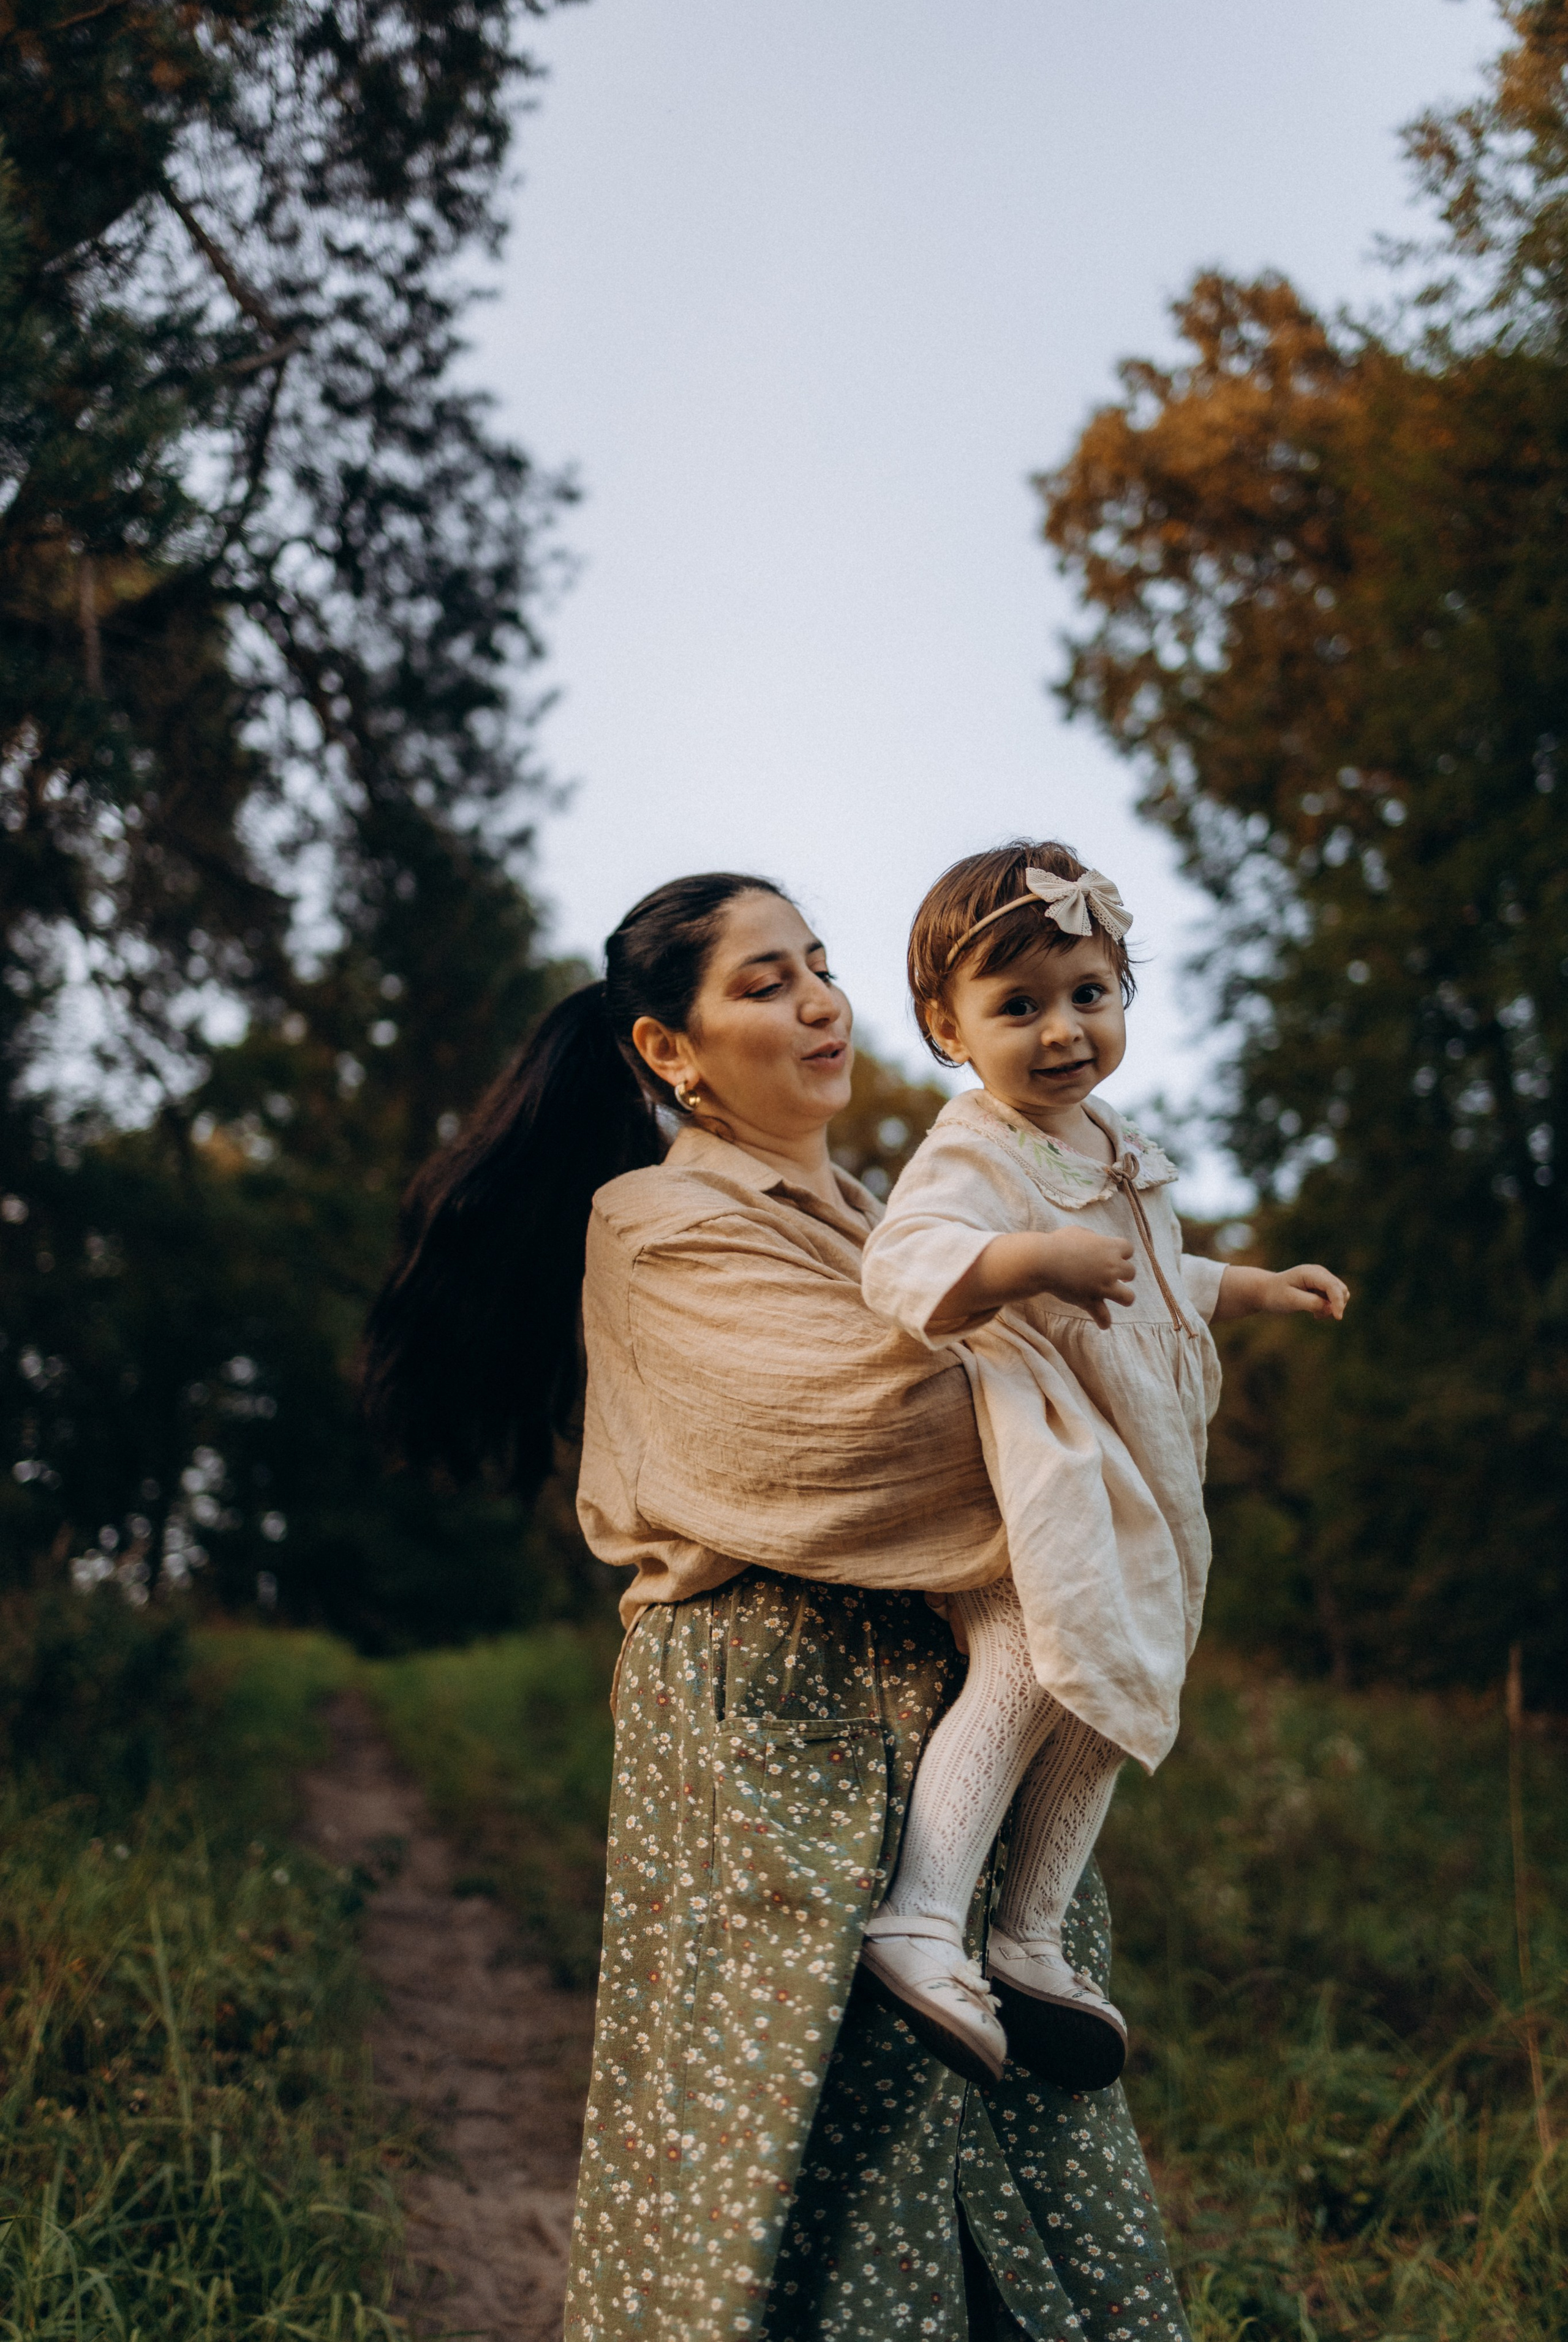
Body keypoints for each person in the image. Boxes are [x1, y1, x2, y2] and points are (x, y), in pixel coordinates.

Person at [363, 869, 1196, 2342]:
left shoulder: (891, 1212)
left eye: (817, 963)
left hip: (950, 1703)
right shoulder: (656, 1221)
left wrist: (1100, 1341)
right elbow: (867, 1436)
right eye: (761, 981)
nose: (818, 999)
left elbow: (1040, 1381)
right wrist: (1109, 1382)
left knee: (1005, 2149)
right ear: (666, 1052)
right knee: (789, 2168)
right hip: (768, 1728)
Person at [856, 840, 1349, 2095]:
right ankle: (921, 1919)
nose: (1060, 1030)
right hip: (1040, 1452)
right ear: (947, 1031)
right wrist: (1025, 1265)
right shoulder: (978, 1149)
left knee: (1114, 1683)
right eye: (1015, 1007)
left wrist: (1250, 1285)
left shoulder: (1111, 1143)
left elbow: (1149, 1281)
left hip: (1133, 1465)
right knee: (1032, 1657)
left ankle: (1028, 1934)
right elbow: (903, 1259)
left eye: (1087, 994)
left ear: (1124, 992)